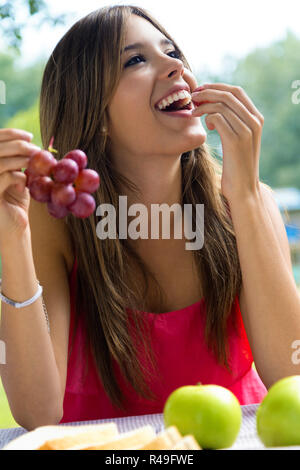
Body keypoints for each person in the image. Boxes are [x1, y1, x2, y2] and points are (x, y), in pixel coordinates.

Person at [0, 5, 299, 431]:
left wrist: (248, 197)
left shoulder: (244, 202)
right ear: (95, 114)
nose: (176, 65)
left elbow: (293, 376)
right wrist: (12, 235)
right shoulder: (56, 222)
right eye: (136, 59)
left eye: (173, 51)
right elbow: (36, 413)